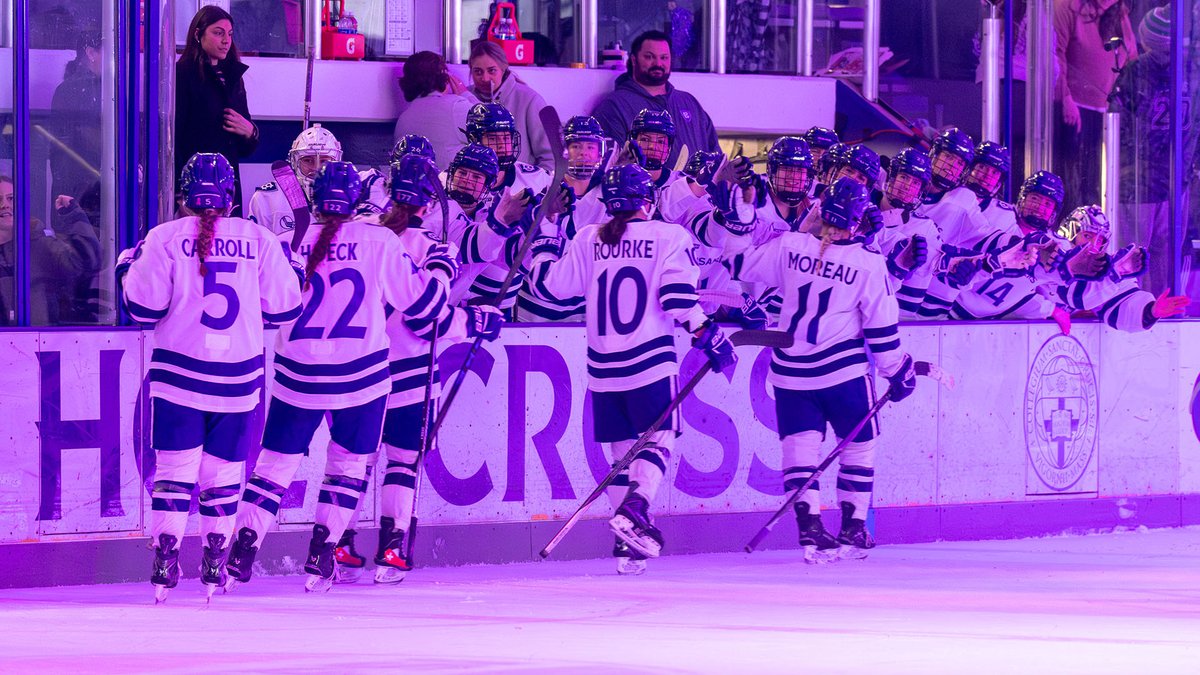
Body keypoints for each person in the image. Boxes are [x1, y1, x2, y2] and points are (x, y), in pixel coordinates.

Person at [225, 162, 457, 593]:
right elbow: (425, 308)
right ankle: (321, 553)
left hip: (298, 376)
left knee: (273, 467)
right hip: (362, 379)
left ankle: (242, 550)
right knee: (346, 469)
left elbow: (263, 307)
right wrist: (442, 268)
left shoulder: (287, 242)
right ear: (357, 201)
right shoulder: (380, 240)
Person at [525, 163, 734, 575]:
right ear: (647, 201)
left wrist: (546, 235)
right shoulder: (669, 235)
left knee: (622, 453)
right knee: (662, 436)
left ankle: (628, 544)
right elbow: (676, 296)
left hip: (603, 368)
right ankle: (637, 508)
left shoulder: (588, 238)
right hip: (649, 360)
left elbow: (550, 287)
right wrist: (704, 329)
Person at [117, 153, 302, 602]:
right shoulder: (259, 238)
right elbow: (284, 310)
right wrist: (293, 270)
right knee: (223, 474)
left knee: (175, 471)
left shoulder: (162, 237)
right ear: (231, 197)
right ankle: (215, 556)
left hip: (177, 375)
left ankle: (165, 556)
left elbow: (142, 310)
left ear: (184, 196)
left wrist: (126, 268)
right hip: (238, 379)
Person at [724, 177, 918, 563]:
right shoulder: (869, 263)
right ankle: (853, 526)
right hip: (843, 377)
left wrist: (741, 217)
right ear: (861, 217)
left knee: (800, 451)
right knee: (859, 449)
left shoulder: (791, 246)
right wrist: (899, 372)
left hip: (791, 373)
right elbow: (881, 332)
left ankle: (809, 528)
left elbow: (739, 262)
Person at [367, 154, 505, 584]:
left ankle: (339, 548)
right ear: (429, 204)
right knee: (403, 463)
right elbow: (424, 316)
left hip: (362, 370)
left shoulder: (365, 238)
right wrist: (472, 322)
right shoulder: (432, 249)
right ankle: (391, 547)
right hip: (411, 370)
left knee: (355, 463)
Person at [1114, 7, 1194, 296]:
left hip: (1152, 181)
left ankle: (1147, 306)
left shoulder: (1139, 71)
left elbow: (1121, 122)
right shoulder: (1186, 71)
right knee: (1152, 252)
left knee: (1144, 252)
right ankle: (1146, 305)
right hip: (1159, 180)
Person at [517, 115, 610, 322]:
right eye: (576, 146)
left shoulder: (607, 194)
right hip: (537, 306)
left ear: (599, 153)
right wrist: (544, 213)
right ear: (564, 151)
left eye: (590, 147)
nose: (584, 153)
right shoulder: (542, 187)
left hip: (584, 307)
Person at [1053, 0, 1137, 214]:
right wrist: (1065, 97)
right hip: (1073, 109)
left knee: (1095, 184)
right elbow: (1056, 54)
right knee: (1071, 182)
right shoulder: (1066, 6)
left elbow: (1131, 58)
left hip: (1106, 112)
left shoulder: (1119, 14)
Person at [591, 30, 719, 169]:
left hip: (698, 190)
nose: (658, 63)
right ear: (633, 60)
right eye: (649, 57)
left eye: (664, 57)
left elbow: (715, 157)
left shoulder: (688, 102)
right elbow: (606, 166)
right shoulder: (614, 106)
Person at [175, 6, 259, 214]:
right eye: (218, 33)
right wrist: (178, 195)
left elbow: (245, 149)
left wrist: (251, 132)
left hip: (228, 191)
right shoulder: (182, 74)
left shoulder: (233, 77)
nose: (226, 41)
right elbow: (173, 140)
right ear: (198, 34)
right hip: (194, 191)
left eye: (229, 34)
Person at [0, 176, 102, 326]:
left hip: (31, 344)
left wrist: (74, 216)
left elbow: (86, 262)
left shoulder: (38, 244)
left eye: (11, 198)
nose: (5, 205)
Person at [465, 41, 556, 173]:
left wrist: (533, 185)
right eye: (478, 72)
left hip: (520, 188)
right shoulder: (462, 100)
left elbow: (551, 158)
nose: (485, 78)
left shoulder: (530, 100)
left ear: (503, 69)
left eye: (492, 71)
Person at [874, 148, 939, 319]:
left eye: (916, 183)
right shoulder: (862, 209)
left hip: (900, 319)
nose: (907, 186)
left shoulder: (926, 228)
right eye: (904, 177)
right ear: (891, 177)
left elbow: (941, 264)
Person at [247, 124, 343, 236]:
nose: (317, 168)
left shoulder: (348, 197)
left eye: (324, 161)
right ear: (294, 162)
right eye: (308, 160)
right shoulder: (266, 198)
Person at [49, 31, 102, 221]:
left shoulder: (101, 87)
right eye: (109, 52)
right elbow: (83, 138)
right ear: (90, 53)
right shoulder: (78, 90)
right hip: (83, 190)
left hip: (80, 188)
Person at [393, 51, 472, 172]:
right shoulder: (455, 107)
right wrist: (465, 93)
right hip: (452, 187)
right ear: (445, 78)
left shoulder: (403, 119)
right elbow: (493, 124)